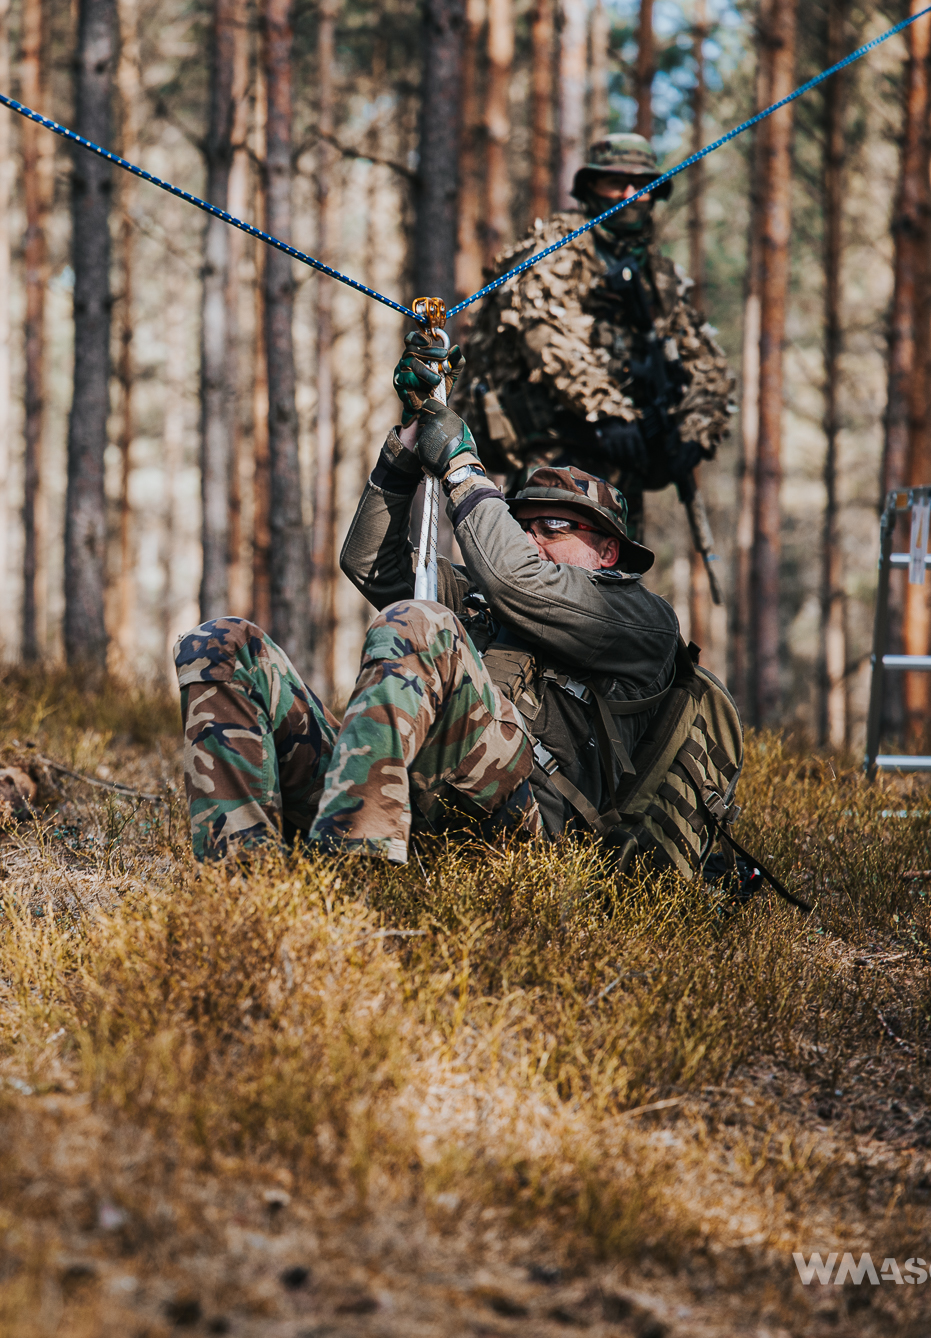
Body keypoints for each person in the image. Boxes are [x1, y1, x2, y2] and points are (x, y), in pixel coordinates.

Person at [175, 364, 684, 863]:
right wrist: (406, 449)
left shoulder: (642, 620)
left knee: (419, 622)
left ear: (609, 552)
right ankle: (240, 881)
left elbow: (515, 579)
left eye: (552, 525)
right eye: (520, 525)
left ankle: (352, 866)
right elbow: (372, 566)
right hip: (426, 798)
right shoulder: (488, 603)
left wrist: (462, 466)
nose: (530, 538)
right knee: (223, 645)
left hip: (534, 832)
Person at [455, 133, 735, 541]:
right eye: (615, 183)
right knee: (543, 570)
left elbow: (707, 367)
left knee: (613, 580)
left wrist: (692, 433)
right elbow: (543, 329)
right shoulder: (557, 245)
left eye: (641, 185)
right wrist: (606, 412)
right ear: (590, 189)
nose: (629, 194)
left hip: (624, 468)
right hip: (555, 455)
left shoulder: (661, 276)